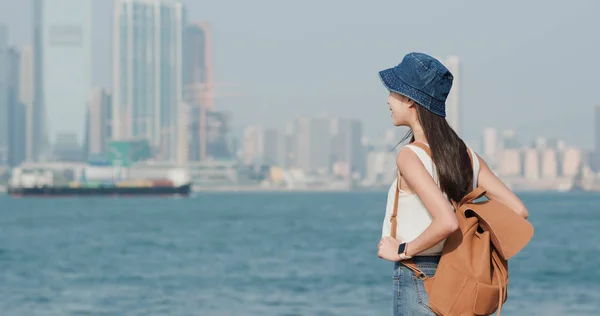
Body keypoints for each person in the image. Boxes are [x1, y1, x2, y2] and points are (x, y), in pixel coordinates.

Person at [375, 52, 529, 316]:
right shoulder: (467, 155)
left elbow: (446, 222)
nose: (388, 99)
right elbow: (518, 210)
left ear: (410, 99)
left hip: (420, 275)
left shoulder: (410, 156)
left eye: (392, 91)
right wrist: (473, 219)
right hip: (460, 276)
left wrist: (401, 250)